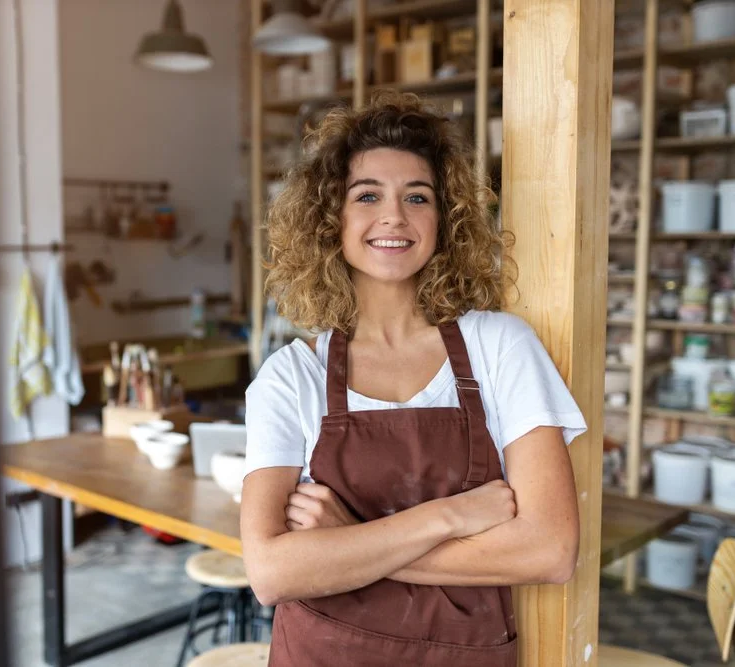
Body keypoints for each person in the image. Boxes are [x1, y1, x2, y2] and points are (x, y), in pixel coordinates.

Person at [240, 92, 585, 667]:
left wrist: (347, 538)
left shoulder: (499, 346)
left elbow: (550, 551)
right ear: (332, 220)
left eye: (417, 197)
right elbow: (272, 572)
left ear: (444, 219)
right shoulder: (291, 375)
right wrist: (445, 516)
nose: (394, 216)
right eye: (367, 195)